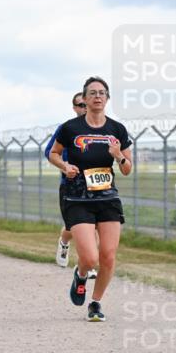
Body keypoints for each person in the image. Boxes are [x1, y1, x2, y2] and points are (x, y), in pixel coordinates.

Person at [48, 76, 133, 322]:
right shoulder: (70, 128)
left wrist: (118, 156)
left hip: (107, 197)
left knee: (108, 255)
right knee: (90, 258)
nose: (97, 96)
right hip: (78, 198)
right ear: (84, 99)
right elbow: (53, 153)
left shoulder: (117, 130)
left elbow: (127, 169)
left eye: (102, 93)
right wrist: (65, 166)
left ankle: (95, 303)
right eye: (92, 93)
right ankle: (81, 274)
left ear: (107, 99)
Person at [45, 92, 90, 268]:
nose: (83, 108)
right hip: (71, 184)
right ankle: (64, 241)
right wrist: (65, 166)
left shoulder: (99, 128)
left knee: (92, 224)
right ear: (74, 108)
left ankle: (87, 265)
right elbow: (49, 151)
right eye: (80, 105)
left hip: (94, 184)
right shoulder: (67, 128)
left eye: (85, 104)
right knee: (73, 226)